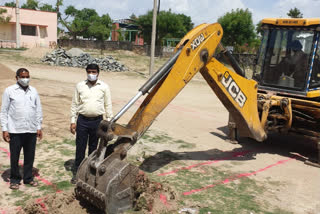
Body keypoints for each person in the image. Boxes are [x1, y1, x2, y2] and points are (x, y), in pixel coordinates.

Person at [70, 63, 113, 184]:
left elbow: (108, 104)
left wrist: (110, 121)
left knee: (94, 149)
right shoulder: (80, 86)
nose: (91, 74)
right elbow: (74, 104)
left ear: (98, 73)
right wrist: (73, 121)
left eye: (94, 72)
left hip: (97, 121)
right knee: (80, 147)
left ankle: (89, 173)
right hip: (82, 121)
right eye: (89, 72)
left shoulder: (104, 87)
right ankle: (77, 173)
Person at [0, 68, 43, 190]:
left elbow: (38, 109)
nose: (25, 79)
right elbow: (4, 111)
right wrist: (5, 129)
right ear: (17, 78)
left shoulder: (33, 91)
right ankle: (14, 179)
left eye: (27, 76)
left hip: (31, 129)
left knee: (30, 156)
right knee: (15, 156)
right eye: (23, 77)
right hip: (15, 130)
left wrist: (38, 127)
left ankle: (28, 177)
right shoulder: (9, 91)